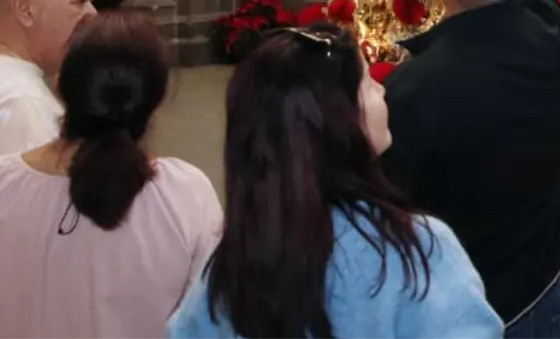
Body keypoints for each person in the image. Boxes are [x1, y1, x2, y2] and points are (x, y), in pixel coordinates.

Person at [168, 24, 502, 339]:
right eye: (369, 84)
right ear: (342, 121)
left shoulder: (234, 266)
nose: (383, 89)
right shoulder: (417, 251)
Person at [382, 0, 560, 337]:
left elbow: (391, 207)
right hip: (538, 290)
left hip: (456, 303)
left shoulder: (415, 87)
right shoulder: (549, 35)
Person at [0, 10, 222, 339]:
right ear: (158, 99)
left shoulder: (5, 182)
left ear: (60, 86)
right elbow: (207, 318)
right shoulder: (185, 194)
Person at [0, 0, 97, 155]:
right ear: (25, 9)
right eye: (80, 1)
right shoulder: (23, 101)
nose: (92, 14)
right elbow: (36, 186)